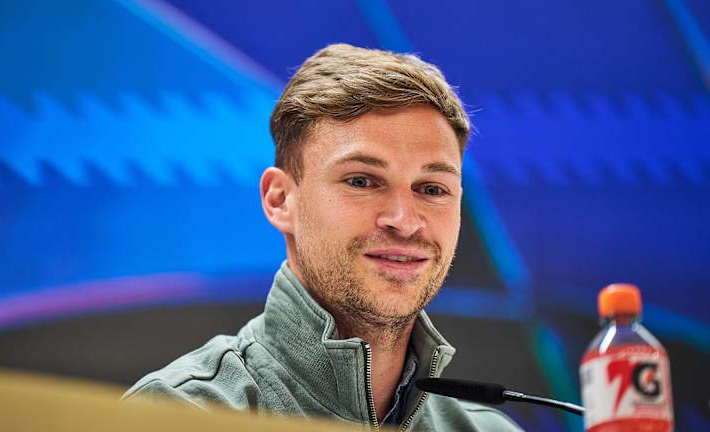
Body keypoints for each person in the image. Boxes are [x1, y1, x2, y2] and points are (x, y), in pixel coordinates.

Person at [124, 43, 523, 431]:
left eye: (432, 189)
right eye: (361, 181)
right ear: (280, 200)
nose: (404, 221)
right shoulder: (178, 416)